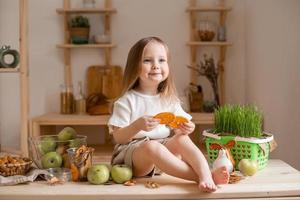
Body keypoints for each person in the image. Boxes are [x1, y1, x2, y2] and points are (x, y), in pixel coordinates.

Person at [108, 36, 229, 192]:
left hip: (161, 155)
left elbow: (180, 128)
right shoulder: (127, 101)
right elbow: (118, 137)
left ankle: (205, 173)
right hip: (132, 158)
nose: (156, 66)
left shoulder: (169, 99)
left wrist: (187, 127)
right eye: (147, 61)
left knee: (182, 138)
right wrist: (137, 125)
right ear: (134, 66)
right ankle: (201, 176)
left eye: (161, 60)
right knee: (151, 146)